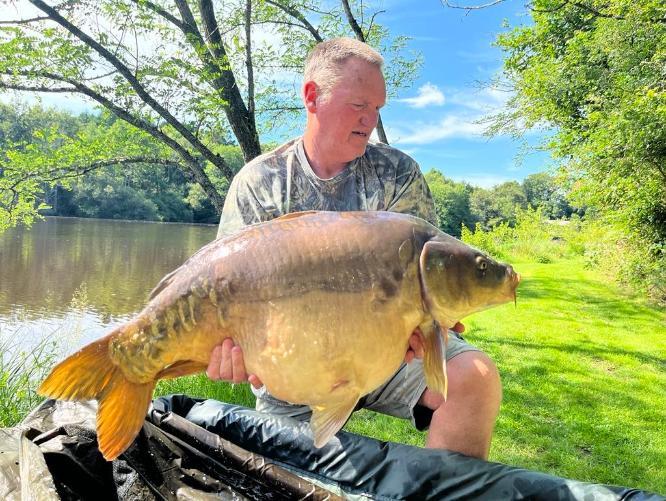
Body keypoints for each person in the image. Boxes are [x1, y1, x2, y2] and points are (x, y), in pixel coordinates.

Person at [206, 37, 501, 460]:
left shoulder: (397, 173)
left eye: (378, 108)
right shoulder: (260, 183)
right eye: (359, 104)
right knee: (286, 479)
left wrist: (427, 326)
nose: (370, 119)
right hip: (294, 365)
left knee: (474, 377)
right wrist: (231, 351)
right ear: (313, 96)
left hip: (386, 355)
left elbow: (425, 288)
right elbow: (225, 295)